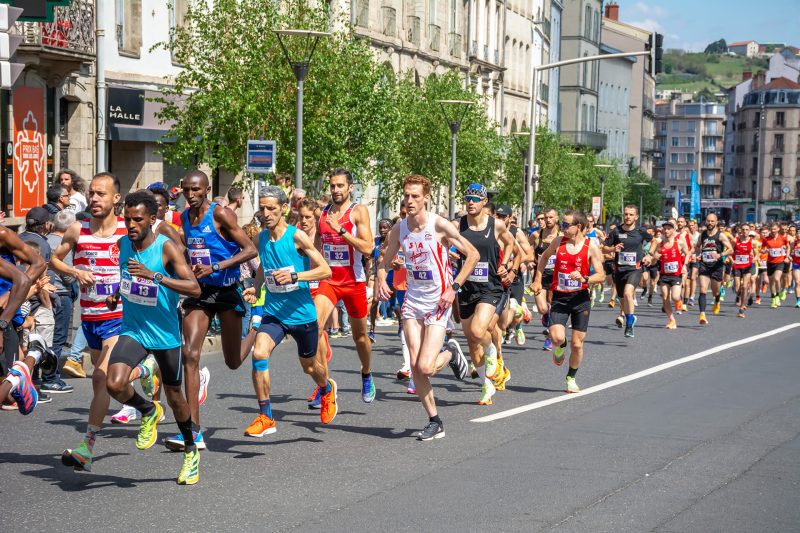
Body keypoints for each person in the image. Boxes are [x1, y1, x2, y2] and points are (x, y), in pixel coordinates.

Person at [104, 191, 202, 484]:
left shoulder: (166, 248)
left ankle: (190, 451)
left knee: (176, 397)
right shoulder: (123, 245)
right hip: (134, 329)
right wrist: (115, 294)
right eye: (127, 219)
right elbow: (128, 279)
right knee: (114, 383)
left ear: (152, 219)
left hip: (165, 334)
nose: (131, 225)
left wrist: (154, 276)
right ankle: (148, 409)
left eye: (137, 219)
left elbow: (194, 288)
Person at [376, 175, 476, 440]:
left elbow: (473, 255)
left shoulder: (439, 225)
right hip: (413, 301)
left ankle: (452, 354)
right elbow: (384, 262)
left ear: (425, 198)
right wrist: (379, 280)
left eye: (415, 196)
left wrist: (453, 287)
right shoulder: (399, 228)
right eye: (406, 195)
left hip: (438, 302)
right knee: (415, 365)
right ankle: (434, 420)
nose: (409, 200)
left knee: (427, 367)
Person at [166, 170, 257, 451]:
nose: (190, 195)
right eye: (186, 190)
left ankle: (257, 327)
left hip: (227, 290)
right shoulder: (183, 218)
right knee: (189, 354)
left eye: (196, 190)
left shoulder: (221, 215)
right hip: (201, 292)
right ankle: (193, 430)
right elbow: (190, 250)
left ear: (206, 190)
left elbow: (250, 250)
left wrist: (217, 266)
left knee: (232, 362)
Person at [241, 186, 338, 438]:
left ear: (284, 208)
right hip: (275, 313)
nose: (266, 213)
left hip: (302, 314)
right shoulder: (261, 238)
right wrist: (256, 286)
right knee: (259, 353)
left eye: (271, 208)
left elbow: (325, 270)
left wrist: (295, 275)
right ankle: (266, 416)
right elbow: (264, 265)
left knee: (309, 367)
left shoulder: (297, 237)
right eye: (262, 208)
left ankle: (327, 388)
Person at [50, 172, 129, 471]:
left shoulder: (126, 231)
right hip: (90, 319)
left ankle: (87, 447)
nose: (94, 199)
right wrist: (75, 273)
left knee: (100, 378)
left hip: (119, 317)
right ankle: (147, 384)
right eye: (92, 193)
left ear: (116, 199)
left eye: (101, 194)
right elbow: (55, 260)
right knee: (107, 384)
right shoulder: (76, 230)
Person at [311, 168, 376, 405]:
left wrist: (341, 229)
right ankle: (324, 384)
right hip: (329, 280)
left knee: (360, 338)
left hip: (353, 281)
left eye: (340, 186)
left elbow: (368, 248)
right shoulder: (323, 214)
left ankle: (367, 373)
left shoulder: (357, 212)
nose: (336, 190)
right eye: (332, 186)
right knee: (314, 328)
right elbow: (317, 245)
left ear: (350, 187)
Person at [455, 185, 517, 405]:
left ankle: (492, 351)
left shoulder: (496, 225)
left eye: (474, 199)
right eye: (467, 199)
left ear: (483, 202)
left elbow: (511, 244)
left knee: (478, 330)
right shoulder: (458, 225)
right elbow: (446, 245)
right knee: (472, 342)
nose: (470, 202)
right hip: (466, 288)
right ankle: (486, 384)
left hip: (490, 287)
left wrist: (507, 263)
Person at [531, 210, 604, 393]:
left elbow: (601, 275)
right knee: (557, 337)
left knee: (577, 344)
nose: (562, 227)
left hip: (580, 299)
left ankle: (571, 377)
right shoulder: (558, 242)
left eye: (565, 225)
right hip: (560, 298)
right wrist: (538, 280)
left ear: (577, 227)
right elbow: (544, 258)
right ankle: (560, 346)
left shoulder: (591, 246)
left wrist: (585, 279)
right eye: (562, 224)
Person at [603, 205, 653, 338]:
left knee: (628, 293)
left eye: (631, 215)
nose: (628, 217)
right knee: (622, 300)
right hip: (619, 270)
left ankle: (629, 324)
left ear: (636, 217)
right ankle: (631, 317)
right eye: (626, 214)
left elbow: (654, 241)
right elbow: (603, 248)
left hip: (635, 269)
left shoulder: (641, 231)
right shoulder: (616, 232)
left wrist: (650, 255)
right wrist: (613, 249)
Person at [645, 220, 689, 329]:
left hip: (676, 274)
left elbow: (687, 253)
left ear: (674, 230)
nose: (666, 230)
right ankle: (671, 320)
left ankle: (679, 302)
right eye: (665, 229)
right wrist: (654, 256)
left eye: (669, 228)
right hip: (664, 274)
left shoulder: (678, 242)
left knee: (675, 296)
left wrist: (684, 265)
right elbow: (654, 257)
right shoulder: (660, 243)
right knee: (665, 297)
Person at [693, 213, 733, 324]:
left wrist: (720, 255)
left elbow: (730, 249)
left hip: (717, 266)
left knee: (716, 291)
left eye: (712, 221)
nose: (710, 223)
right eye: (708, 221)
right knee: (702, 289)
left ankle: (716, 301)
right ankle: (702, 315)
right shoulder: (703, 234)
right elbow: (697, 246)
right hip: (704, 265)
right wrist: (697, 255)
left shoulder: (721, 235)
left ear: (716, 222)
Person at [530, 208, 560, 350]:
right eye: (544, 218)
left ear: (557, 219)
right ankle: (546, 316)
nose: (547, 220)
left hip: (556, 277)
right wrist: (529, 260)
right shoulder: (536, 235)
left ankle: (549, 338)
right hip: (540, 276)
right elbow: (527, 249)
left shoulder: (562, 236)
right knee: (542, 308)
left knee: (553, 306)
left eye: (550, 217)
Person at [762, 222, 790, 309]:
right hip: (770, 262)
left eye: (774, 229)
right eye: (771, 229)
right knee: (771, 282)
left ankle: (777, 295)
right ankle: (773, 298)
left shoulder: (783, 238)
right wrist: (764, 251)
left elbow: (788, 246)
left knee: (777, 279)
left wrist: (787, 256)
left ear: (778, 229)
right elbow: (763, 248)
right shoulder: (766, 239)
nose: (773, 231)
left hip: (780, 261)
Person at [731, 223, 756, 318]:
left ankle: (741, 307)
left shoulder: (752, 242)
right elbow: (729, 251)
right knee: (738, 288)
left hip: (747, 266)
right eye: (743, 229)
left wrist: (755, 258)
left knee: (745, 286)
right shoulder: (735, 240)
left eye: (747, 229)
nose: (745, 231)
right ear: (740, 230)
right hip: (737, 266)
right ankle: (739, 294)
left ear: (749, 231)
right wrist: (732, 260)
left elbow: (757, 253)